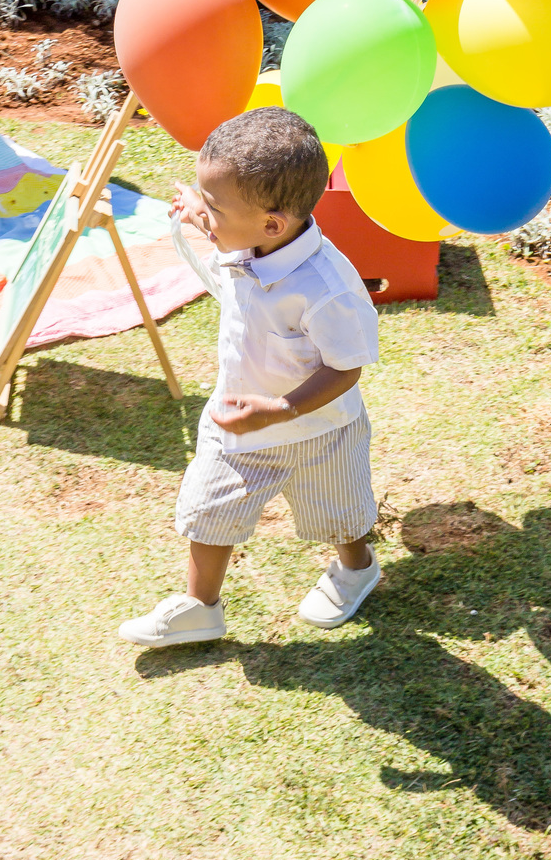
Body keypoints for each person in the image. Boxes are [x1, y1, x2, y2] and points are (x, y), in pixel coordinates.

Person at [118, 106, 381, 649]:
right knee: (208, 511)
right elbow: (222, 225)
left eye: (213, 206)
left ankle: (357, 568)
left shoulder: (327, 288)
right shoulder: (248, 238)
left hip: (320, 434)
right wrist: (200, 210)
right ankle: (200, 608)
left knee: (342, 513)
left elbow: (345, 366)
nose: (204, 215)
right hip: (238, 427)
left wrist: (282, 409)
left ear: (271, 225)